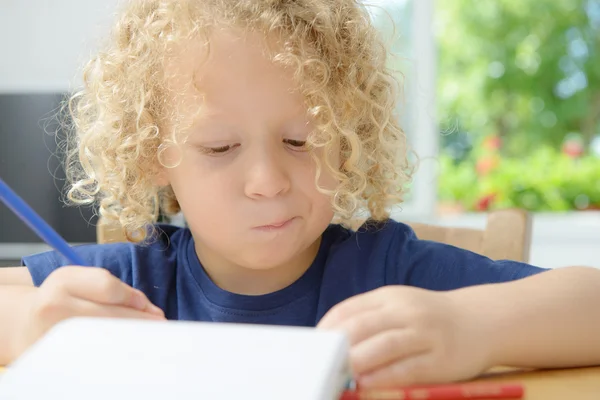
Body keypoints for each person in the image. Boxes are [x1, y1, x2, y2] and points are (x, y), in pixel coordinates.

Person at [1, 0, 599, 388]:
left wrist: (472, 326)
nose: (268, 181)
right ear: (156, 157)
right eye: (218, 148)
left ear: (346, 142)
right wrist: (31, 321)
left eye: (300, 139)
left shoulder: (388, 269)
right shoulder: (129, 283)